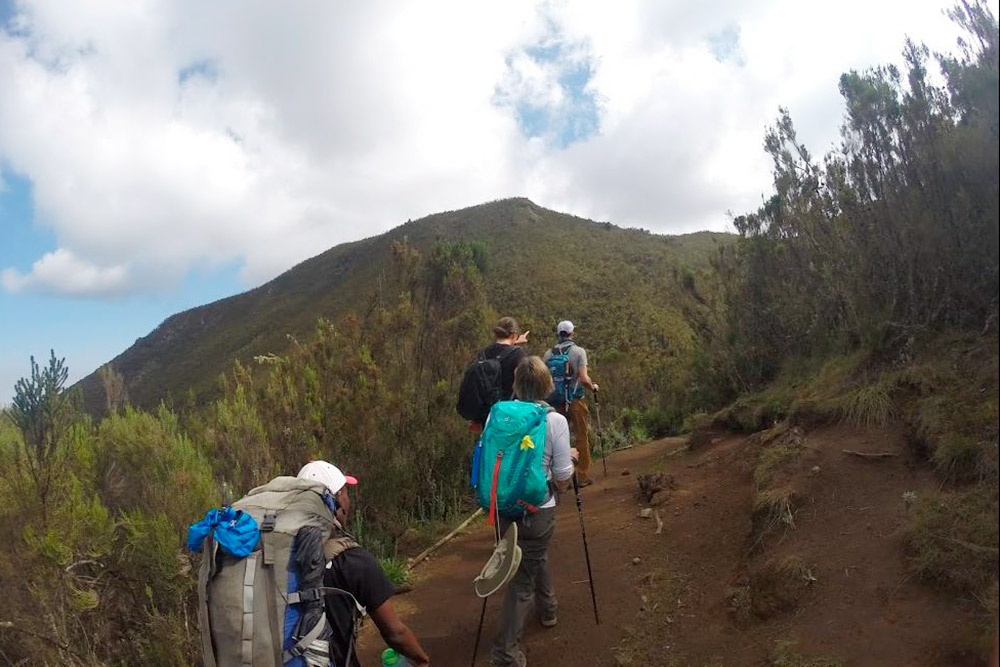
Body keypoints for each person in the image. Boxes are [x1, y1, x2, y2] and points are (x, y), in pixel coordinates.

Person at [297, 461, 430, 667]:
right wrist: (422, 660)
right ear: (336, 501)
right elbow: (395, 633)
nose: (348, 499)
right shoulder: (351, 559)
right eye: (345, 492)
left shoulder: (281, 553)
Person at [491, 356, 575, 667]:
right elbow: (563, 477)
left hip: (502, 508)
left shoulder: (496, 416)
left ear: (516, 384)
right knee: (521, 581)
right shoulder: (555, 421)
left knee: (530, 557)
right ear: (548, 385)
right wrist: (562, 474)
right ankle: (506, 654)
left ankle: (549, 607)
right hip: (539, 509)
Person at [543, 320, 599, 486]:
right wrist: (593, 387)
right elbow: (583, 378)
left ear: (558, 334)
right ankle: (581, 475)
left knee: (559, 439)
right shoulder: (578, 352)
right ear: (572, 333)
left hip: (554, 402)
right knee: (581, 436)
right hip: (575, 400)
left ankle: (561, 478)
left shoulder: (548, 354)